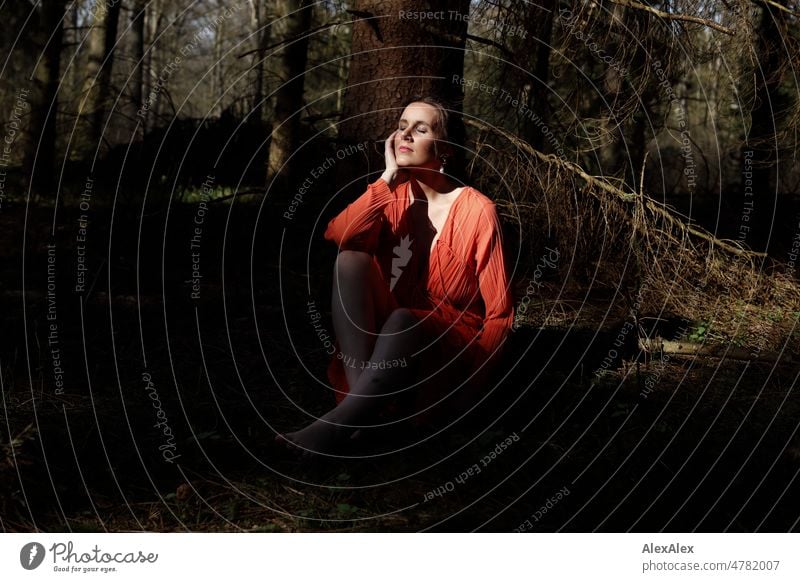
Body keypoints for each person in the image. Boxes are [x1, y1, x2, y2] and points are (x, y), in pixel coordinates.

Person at [278, 97, 514, 455]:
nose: (405, 134)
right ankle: (361, 414)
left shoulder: (479, 211)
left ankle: (335, 427)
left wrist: (470, 393)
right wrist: (386, 178)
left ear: (444, 147)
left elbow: (499, 316)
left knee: (404, 317)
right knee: (350, 260)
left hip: (449, 342)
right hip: (391, 336)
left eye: (420, 129)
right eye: (401, 125)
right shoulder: (394, 197)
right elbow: (341, 234)